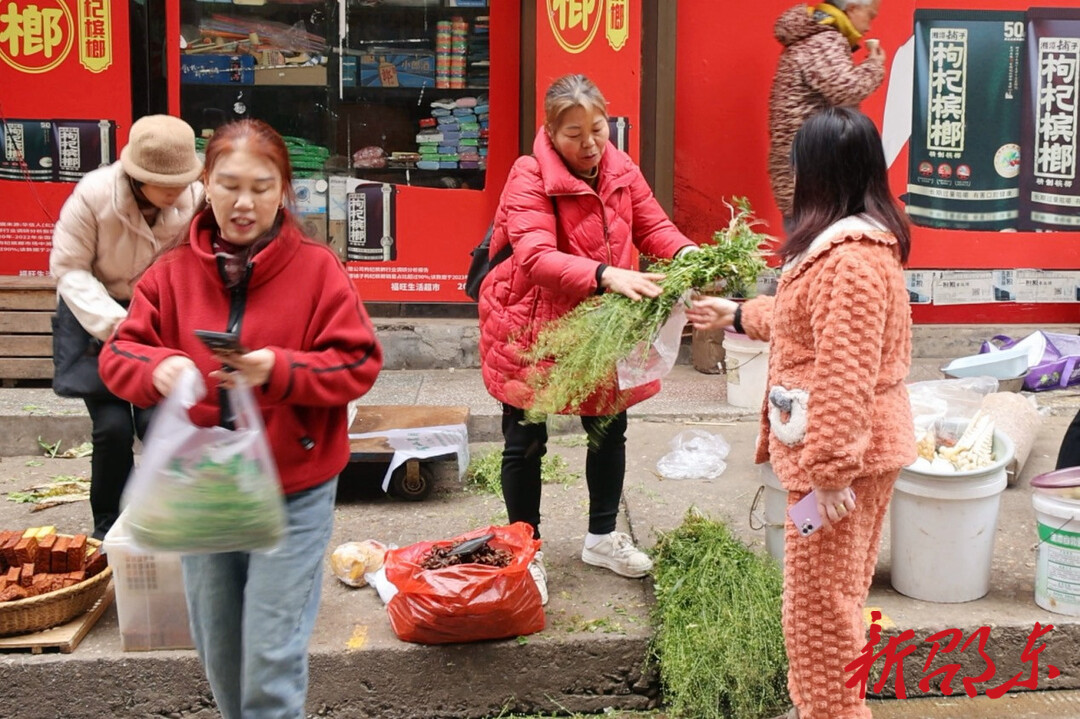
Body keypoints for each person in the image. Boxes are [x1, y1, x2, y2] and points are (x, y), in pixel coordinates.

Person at [98, 119, 383, 719]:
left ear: (286, 190)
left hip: (294, 490)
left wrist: (274, 370)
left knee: (272, 656)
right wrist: (159, 368)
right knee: (223, 651)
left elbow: (356, 364)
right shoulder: (171, 274)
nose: (244, 203)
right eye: (228, 185)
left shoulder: (318, 271)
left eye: (261, 186)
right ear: (205, 185)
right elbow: (119, 353)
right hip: (203, 491)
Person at [687, 107, 914, 719]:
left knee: (819, 611)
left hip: (844, 465)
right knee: (831, 599)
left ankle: (830, 713)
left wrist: (831, 473)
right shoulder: (842, 246)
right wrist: (734, 313)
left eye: (795, 165)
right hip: (844, 460)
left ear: (818, 172)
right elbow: (801, 326)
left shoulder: (853, 260)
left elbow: (845, 374)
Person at [477, 74, 696, 604]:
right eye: (574, 133)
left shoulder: (620, 168)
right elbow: (534, 256)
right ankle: (525, 551)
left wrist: (688, 254)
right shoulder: (528, 174)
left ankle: (601, 537)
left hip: (602, 324)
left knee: (608, 428)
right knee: (526, 441)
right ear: (551, 131)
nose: (590, 143)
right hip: (531, 323)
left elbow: (653, 227)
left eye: (597, 128)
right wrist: (605, 274)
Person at [49, 114, 203, 540]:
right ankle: (107, 528)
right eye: (166, 185)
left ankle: (162, 521)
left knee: (161, 427)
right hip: (99, 318)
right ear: (137, 177)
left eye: (184, 182)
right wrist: (117, 324)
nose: (179, 193)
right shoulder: (93, 195)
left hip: (159, 319)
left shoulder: (195, 197)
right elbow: (69, 270)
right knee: (113, 429)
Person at [769, 0, 886, 223]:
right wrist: (874, 65)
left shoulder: (811, 36)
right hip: (816, 172)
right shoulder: (824, 40)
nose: (869, 27)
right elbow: (846, 90)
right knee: (818, 245)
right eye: (870, 16)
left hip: (803, 169)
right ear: (851, 9)